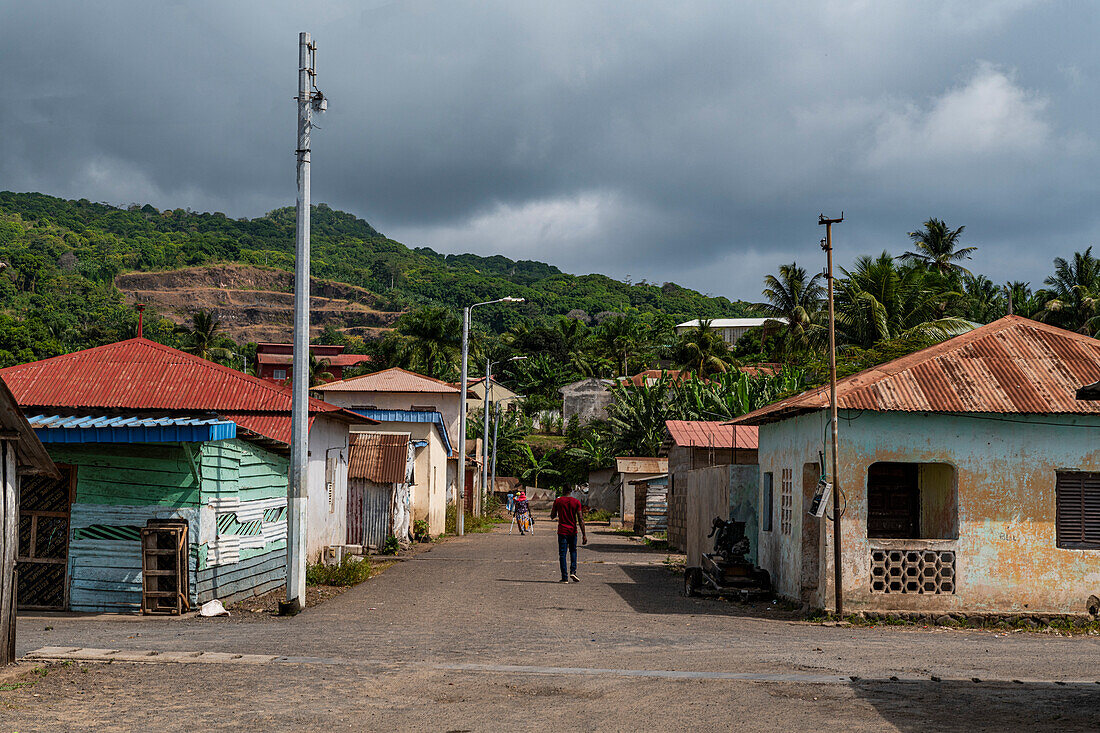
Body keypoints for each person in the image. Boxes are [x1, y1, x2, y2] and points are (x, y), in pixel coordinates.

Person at [550, 486, 587, 583]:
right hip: (573, 531)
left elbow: (552, 516)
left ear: (562, 491)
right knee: (573, 551)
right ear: (571, 491)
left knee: (562, 554)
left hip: (562, 531)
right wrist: (584, 534)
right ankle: (573, 571)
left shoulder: (558, 501)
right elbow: (580, 518)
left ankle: (564, 577)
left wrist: (557, 512)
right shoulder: (576, 502)